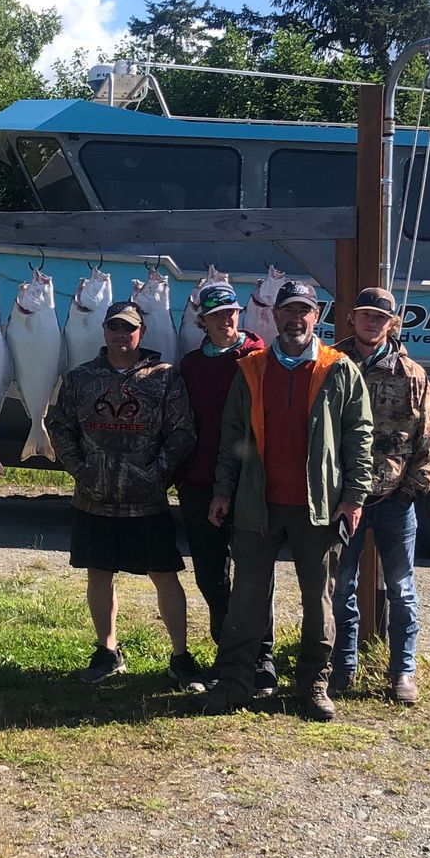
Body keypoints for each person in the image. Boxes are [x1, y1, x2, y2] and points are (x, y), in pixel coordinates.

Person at [205, 280, 374, 720]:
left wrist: (353, 498)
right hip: (256, 506)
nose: (296, 318)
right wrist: (223, 490)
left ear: (317, 316)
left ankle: (313, 686)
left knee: (318, 600)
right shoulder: (252, 368)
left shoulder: (340, 369)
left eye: (305, 311)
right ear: (273, 316)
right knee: (246, 597)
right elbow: (232, 438)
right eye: (288, 310)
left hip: (318, 508)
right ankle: (234, 684)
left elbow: (360, 437)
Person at [48, 298, 199, 684]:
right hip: (93, 499)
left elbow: (182, 432)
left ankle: (180, 656)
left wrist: (157, 474)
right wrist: (80, 469)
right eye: (114, 327)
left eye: (129, 328)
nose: (121, 335)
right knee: (98, 574)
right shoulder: (81, 378)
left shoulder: (164, 376)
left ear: (141, 332)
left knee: (165, 575)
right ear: (104, 332)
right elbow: (60, 425)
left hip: (146, 502)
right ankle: (107, 651)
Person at [333, 286, 430, 706]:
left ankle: (402, 672)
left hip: (395, 500)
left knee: (401, 589)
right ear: (352, 320)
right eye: (365, 315)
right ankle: (342, 668)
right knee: (341, 587)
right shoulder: (332, 366)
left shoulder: (412, 374)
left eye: (380, 317)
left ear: (392, 324)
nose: (372, 323)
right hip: (345, 500)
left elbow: (427, 439)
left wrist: (409, 491)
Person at [172, 279, 266, 685]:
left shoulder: (259, 356)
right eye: (215, 316)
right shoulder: (191, 364)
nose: (224, 321)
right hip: (198, 481)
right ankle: (227, 655)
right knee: (211, 573)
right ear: (202, 321)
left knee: (253, 572)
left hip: (250, 482)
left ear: (239, 315)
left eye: (230, 313)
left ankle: (262, 659)